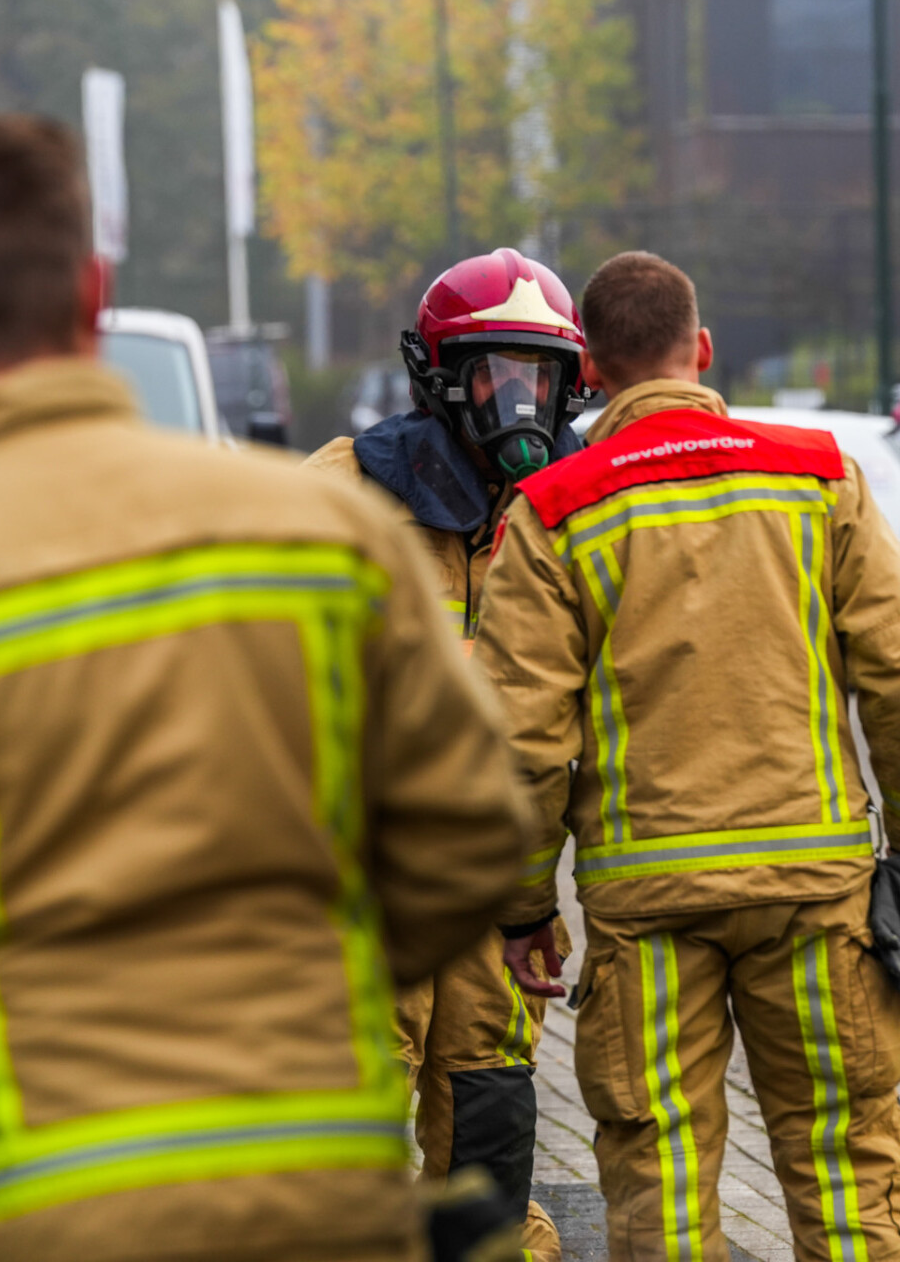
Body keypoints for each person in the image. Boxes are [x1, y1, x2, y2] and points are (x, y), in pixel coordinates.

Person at [0, 114, 533, 1260]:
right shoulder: (324, 532)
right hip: (313, 1190)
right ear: (91, 294)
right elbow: (473, 830)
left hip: (27, 1202)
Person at [471, 251, 900, 1262]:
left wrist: (527, 905)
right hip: (815, 889)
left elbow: (520, 738)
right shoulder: (817, 474)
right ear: (701, 350)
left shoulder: (556, 510)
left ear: (593, 372)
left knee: (660, 1177)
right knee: (845, 1158)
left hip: (646, 904)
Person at [307, 247, 587, 1261]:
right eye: (495, 373)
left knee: (490, 1118)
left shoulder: (572, 513)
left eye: (540, 377)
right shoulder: (342, 498)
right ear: (439, 375)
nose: (519, 401)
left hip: (493, 890)